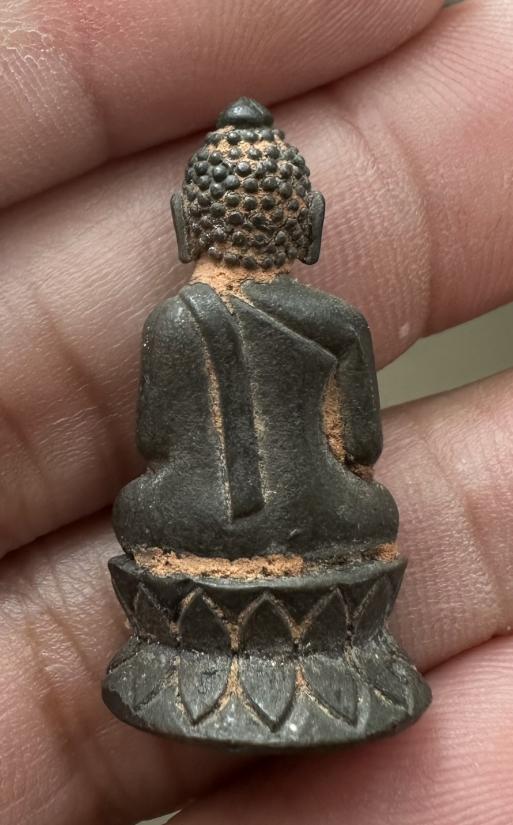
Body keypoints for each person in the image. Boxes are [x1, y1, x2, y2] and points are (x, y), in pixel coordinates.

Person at [0, 0, 512, 822]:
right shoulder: (335, 323)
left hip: (195, 536)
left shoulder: (175, 322)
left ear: (185, 225)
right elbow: (360, 449)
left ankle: (194, 662)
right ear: (308, 224)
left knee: (143, 507)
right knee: (368, 509)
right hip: (325, 533)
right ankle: (334, 661)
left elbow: (160, 442)